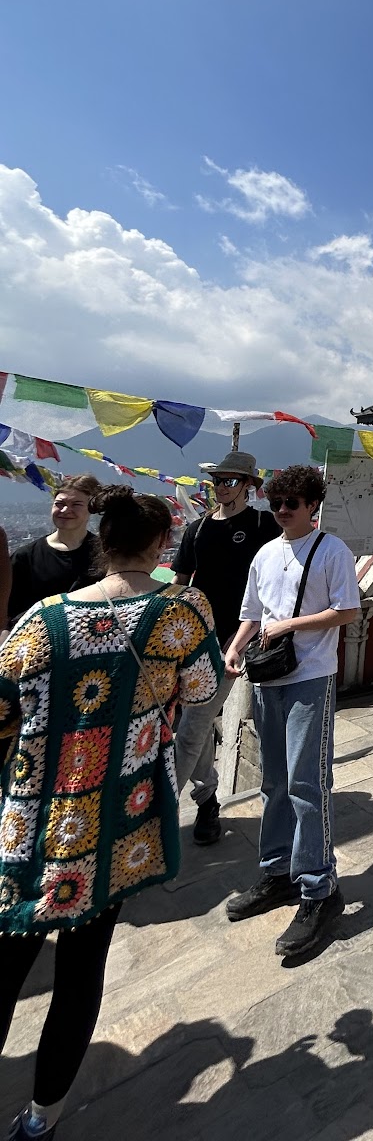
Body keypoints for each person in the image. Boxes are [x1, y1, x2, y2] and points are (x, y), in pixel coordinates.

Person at [0, 485, 222, 1140]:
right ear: (159, 547)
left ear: (102, 540)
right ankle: (41, 1120)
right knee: (78, 973)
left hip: (31, 820)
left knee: (7, 961)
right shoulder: (179, 612)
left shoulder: (41, 619)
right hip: (115, 822)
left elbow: (3, 705)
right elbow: (205, 689)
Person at [223, 465, 360, 959]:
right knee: (274, 782)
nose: (283, 511)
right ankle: (278, 870)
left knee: (307, 782)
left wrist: (290, 627)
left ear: (312, 506)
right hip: (267, 680)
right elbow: (252, 612)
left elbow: (347, 611)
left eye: (293, 504)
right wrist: (235, 647)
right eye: (277, 503)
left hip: (310, 677)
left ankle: (319, 888)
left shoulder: (331, 550)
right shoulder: (266, 552)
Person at [172, 448, 279, 845]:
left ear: (249, 486)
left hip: (238, 639)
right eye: (218, 480)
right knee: (189, 723)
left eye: (231, 480)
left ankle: (159, 814)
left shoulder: (263, 525)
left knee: (193, 725)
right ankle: (207, 799)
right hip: (192, 639)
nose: (222, 487)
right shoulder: (197, 529)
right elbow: (179, 583)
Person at [6, 475, 104, 631]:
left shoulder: (105, 554)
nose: (65, 510)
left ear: (92, 509)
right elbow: (9, 610)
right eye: (60, 504)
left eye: (76, 504)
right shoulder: (25, 556)